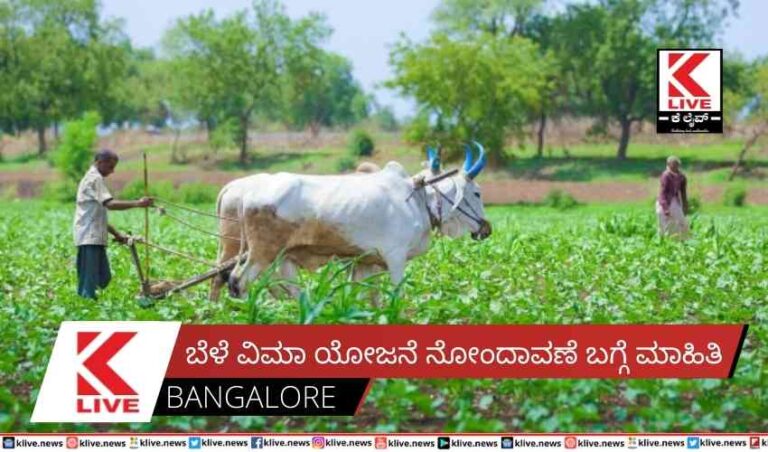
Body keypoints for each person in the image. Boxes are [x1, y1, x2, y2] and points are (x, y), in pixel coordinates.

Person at [73, 149, 153, 299]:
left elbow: (98, 216)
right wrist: (138, 203)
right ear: (99, 162)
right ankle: (85, 308)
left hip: (95, 235)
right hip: (88, 237)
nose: (112, 171)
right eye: (110, 167)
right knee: (89, 282)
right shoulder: (94, 179)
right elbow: (110, 204)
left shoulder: (95, 179)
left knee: (103, 277)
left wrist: (117, 234)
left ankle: (89, 303)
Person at [656, 156, 689, 238]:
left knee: (681, 222)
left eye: (677, 165)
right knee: (666, 225)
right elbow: (663, 193)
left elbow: (683, 192)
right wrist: (666, 209)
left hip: (674, 201)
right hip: (664, 202)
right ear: (669, 165)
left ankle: (683, 241)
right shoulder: (666, 176)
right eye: (673, 165)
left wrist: (685, 205)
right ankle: (665, 242)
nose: (675, 167)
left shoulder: (681, 177)